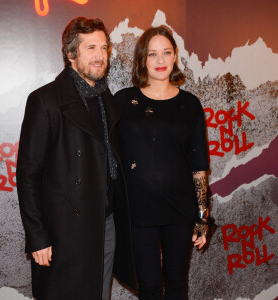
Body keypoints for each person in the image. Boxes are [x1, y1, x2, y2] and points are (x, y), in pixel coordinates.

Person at [16, 16, 136, 300]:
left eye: (104, 48)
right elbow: (28, 174)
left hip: (105, 223)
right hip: (63, 229)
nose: (100, 56)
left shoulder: (107, 99)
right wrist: (37, 237)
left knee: (99, 294)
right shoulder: (45, 100)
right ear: (71, 54)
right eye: (91, 48)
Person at [115, 26, 211, 300]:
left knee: (177, 284)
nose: (160, 61)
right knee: (149, 287)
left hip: (179, 211)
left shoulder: (190, 104)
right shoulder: (122, 101)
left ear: (175, 56)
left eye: (166, 53)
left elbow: (198, 164)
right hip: (137, 213)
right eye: (153, 54)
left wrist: (203, 218)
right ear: (142, 59)